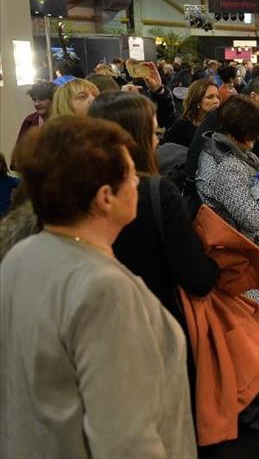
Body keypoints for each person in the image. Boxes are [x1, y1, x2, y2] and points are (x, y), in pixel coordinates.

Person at [1, 116, 195, 457]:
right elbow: (125, 439)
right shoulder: (104, 289)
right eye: (131, 174)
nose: (137, 181)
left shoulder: (21, 256)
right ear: (106, 197)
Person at [89, 90, 218, 324]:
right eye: (153, 132)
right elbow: (196, 279)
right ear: (137, 139)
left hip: (96, 319)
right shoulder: (157, 192)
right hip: (154, 321)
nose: (157, 140)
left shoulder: (75, 192)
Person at [197, 95, 259, 315]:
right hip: (244, 263)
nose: (258, 136)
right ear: (241, 130)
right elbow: (251, 218)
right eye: (255, 131)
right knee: (255, 320)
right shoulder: (226, 166)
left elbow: (244, 176)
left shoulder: (223, 147)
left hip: (247, 257)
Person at [184, 76, 259, 200]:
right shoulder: (229, 118)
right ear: (254, 97)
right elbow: (248, 210)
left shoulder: (243, 117)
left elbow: (244, 165)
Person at [164, 79, 220, 148]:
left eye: (218, 97)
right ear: (197, 100)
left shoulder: (219, 124)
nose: (216, 101)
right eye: (210, 97)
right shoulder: (181, 126)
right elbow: (166, 149)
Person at [17, 81, 56, 145]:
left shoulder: (63, 120)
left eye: (42, 99)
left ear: (54, 99)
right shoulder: (29, 121)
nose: (36, 104)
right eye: (34, 100)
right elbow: (20, 147)